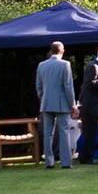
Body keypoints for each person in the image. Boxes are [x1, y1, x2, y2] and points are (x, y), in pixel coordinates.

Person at [35, 41, 78, 169]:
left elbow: (38, 86)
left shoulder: (41, 65)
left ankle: (49, 161)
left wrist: (43, 98)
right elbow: (68, 86)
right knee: (64, 131)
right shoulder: (65, 64)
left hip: (46, 103)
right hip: (62, 103)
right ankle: (65, 162)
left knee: (47, 133)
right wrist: (73, 104)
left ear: (51, 50)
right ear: (62, 50)